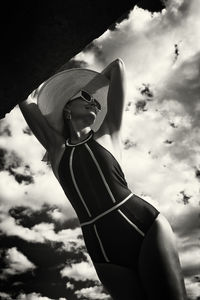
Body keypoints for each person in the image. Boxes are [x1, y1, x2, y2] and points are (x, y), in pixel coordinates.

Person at [19, 58, 187, 300]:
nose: (96, 105)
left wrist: (90, 87)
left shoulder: (109, 131)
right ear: (67, 107)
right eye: (87, 99)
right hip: (102, 247)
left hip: (143, 226)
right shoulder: (56, 148)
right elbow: (23, 100)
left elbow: (117, 66)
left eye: (97, 102)